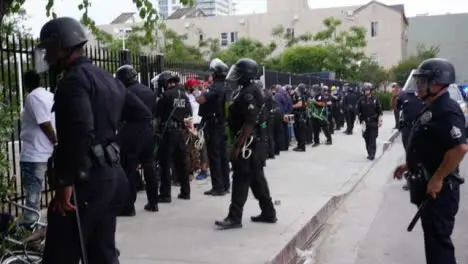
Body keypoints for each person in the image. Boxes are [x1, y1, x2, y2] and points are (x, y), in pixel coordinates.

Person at [37, 17, 149, 264]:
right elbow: (141, 115)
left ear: (63, 47)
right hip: (111, 177)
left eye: (49, 50)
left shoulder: (73, 81)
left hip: (84, 182)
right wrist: (113, 147)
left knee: (60, 254)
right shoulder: (107, 78)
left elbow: (80, 131)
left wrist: (65, 181)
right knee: (101, 253)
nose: (46, 58)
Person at [393, 58, 467, 264]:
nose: (419, 85)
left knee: (439, 245)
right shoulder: (432, 105)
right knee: (433, 242)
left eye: (424, 81)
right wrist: (410, 163)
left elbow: (459, 147)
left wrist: (438, 178)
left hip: (440, 192)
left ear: (438, 83)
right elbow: (432, 144)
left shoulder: (447, 109)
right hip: (427, 185)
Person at [215, 58, 277, 230]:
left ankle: (234, 217)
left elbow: (249, 123)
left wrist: (238, 146)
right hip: (255, 144)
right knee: (257, 180)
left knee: (241, 178)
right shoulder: (247, 89)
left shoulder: (249, 93)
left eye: (239, 72)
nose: (235, 76)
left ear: (246, 74)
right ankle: (269, 212)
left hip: (249, 144)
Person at [115, 64, 159, 215]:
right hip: (148, 131)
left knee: (129, 169)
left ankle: (128, 206)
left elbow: (119, 114)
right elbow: (153, 112)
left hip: (132, 131)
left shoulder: (125, 92)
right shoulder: (149, 91)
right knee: (149, 166)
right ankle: (153, 202)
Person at [19, 70, 56, 223]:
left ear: (26, 84)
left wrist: (55, 140)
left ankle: (30, 226)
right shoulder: (50, 96)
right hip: (47, 152)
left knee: (33, 197)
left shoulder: (32, 97)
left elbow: (44, 123)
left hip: (34, 154)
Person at [155, 71, 192, 202]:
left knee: (165, 163)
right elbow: (188, 112)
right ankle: (185, 191)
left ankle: (165, 194)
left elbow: (156, 112)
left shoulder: (166, 95)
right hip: (180, 132)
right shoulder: (184, 96)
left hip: (168, 133)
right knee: (181, 163)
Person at [197, 58, 230, 196]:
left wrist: (199, 91)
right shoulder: (227, 87)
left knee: (214, 156)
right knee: (223, 156)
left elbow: (201, 99)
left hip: (213, 125)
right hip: (222, 124)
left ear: (215, 74)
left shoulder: (215, 87)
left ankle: (218, 187)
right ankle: (225, 184)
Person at [357, 82, 382, 160]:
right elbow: (357, 110)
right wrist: (357, 118)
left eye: (368, 90)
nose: (366, 92)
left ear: (371, 90)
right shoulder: (361, 100)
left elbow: (379, 111)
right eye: (365, 90)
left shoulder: (375, 99)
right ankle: (369, 152)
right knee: (366, 137)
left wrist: (380, 120)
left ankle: (372, 154)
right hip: (364, 122)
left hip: (373, 121)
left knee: (373, 138)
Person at [290, 84, 307, 152]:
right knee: (297, 131)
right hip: (297, 115)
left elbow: (300, 104)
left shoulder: (299, 95)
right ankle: (299, 145)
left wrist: (291, 106)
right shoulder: (300, 95)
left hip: (300, 115)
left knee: (300, 132)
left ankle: (302, 147)